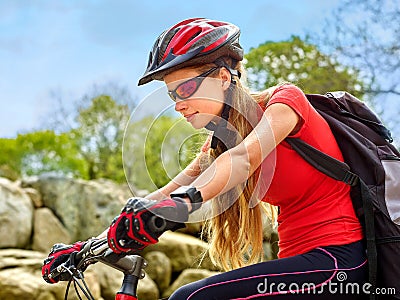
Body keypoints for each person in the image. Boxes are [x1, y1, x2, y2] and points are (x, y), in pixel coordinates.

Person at [42, 18, 368, 299]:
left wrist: (183, 204)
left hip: (341, 262)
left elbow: (244, 158)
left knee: (192, 296)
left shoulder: (283, 103)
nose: (178, 104)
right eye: (172, 95)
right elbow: (156, 197)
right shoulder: (215, 149)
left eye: (185, 90)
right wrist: (86, 248)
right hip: (297, 266)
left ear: (223, 79)